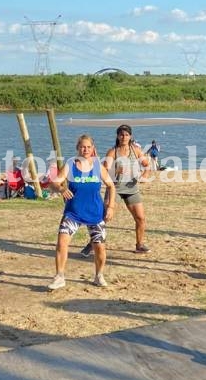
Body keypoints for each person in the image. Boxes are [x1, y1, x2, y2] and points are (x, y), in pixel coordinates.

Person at [47, 134, 116, 290]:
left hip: (95, 213)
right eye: (82, 147)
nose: (85, 150)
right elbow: (53, 184)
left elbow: (111, 186)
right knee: (62, 242)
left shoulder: (98, 165)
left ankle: (99, 275)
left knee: (99, 247)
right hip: (73, 212)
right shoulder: (70, 164)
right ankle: (59, 277)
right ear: (78, 148)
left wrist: (111, 207)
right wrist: (61, 188)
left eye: (88, 147)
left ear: (93, 149)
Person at [82, 124, 151, 257]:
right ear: (117, 136)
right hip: (116, 189)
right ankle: (91, 244)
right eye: (121, 134)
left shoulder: (136, 150)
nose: (123, 137)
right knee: (105, 217)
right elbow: (104, 170)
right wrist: (115, 170)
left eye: (126, 134)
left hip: (132, 189)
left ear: (130, 136)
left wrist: (145, 176)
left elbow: (147, 166)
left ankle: (140, 245)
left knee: (140, 218)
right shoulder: (113, 152)